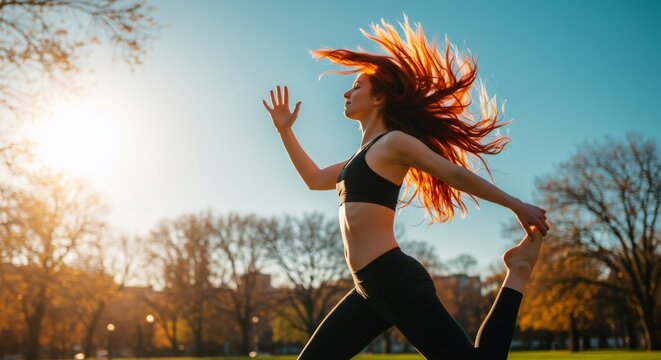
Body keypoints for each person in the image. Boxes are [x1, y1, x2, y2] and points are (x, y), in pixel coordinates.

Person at [262, 16, 549, 360]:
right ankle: (518, 269)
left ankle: (519, 271)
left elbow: (454, 174)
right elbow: (313, 179)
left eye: (356, 86)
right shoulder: (358, 159)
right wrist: (284, 131)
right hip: (366, 289)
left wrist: (516, 204)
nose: (346, 92)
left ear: (380, 97)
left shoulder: (394, 143)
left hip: (395, 280)